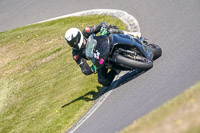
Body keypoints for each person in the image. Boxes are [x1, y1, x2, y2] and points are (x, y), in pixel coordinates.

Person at [65, 22, 141, 86]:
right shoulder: (76, 54)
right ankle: (116, 69)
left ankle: (130, 35)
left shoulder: (86, 31)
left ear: (79, 36)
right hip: (100, 60)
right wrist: (92, 69)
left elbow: (102, 24)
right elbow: (85, 70)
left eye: (74, 41)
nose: (74, 44)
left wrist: (103, 30)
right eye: (71, 43)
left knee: (110, 30)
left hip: (104, 43)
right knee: (103, 81)